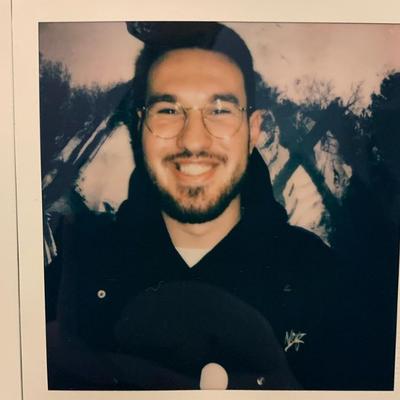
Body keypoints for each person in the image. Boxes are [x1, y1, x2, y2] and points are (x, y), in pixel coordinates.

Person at [45, 22, 366, 391]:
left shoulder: (326, 286)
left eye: (219, 110)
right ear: (140, 127)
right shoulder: (75, 274)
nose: (193, 140)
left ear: (254, 130)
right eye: (168, 110)